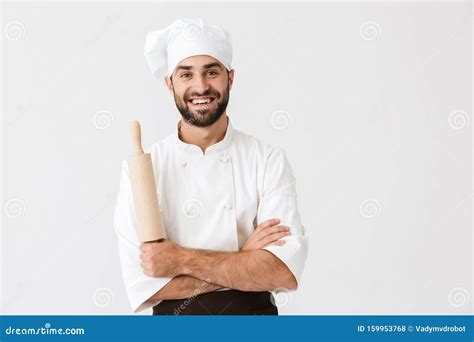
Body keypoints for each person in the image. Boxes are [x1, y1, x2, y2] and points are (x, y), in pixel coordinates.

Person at [113, 18, 308, 315]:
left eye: (211, 72)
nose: (200, 86)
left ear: (230, 78)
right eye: (186, 74)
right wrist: (243, 260)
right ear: (170, 83)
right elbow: (146, 281)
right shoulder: (144, 170)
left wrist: (177, 259)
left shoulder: (267, 160)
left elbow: (282, 272)